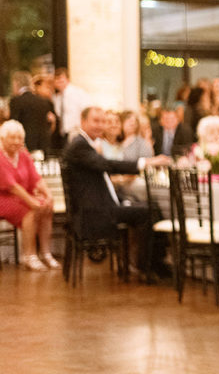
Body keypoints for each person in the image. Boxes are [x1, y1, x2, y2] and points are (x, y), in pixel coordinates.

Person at [62, 107, 171, 277]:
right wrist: (146, 162)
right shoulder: (80, 146)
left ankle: (152, 263)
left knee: (150, 206)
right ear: (83, 122)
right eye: (95, 121)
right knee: (149, 211)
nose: (100, 125)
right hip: (95, 213)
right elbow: (109, 165)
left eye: (102, 121)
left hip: (100, 206)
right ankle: (147, 267)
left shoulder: (85, 145)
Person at [0, 120, 58, 270]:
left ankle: (46, 253)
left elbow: (36, 178)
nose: (16, 141)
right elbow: (12, 186)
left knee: (46, 206)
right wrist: (32, 202)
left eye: (19, 138)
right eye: (12, 137)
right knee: (30, 210)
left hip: (23, 195)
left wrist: (48, 195)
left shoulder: (24, 155)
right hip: (4, 198)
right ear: (3, 138)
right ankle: (29, 256)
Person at [9, 72, 56, 153]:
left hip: (23, 146)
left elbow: (14, 125)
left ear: (16, 84)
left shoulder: (16, 101)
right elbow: (50, 123)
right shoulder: (44, 102)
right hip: (42, 145)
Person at [52, 67, 90, 147]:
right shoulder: (57, 98)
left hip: (75, 132)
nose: (59, 83)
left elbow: (86, 112)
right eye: (56, 80)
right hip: (62, 135)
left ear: (68, 80)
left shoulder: (78, 93)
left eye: (61, 80)